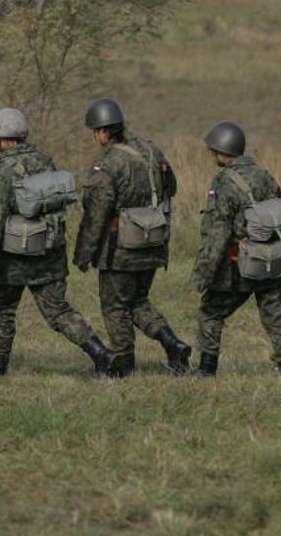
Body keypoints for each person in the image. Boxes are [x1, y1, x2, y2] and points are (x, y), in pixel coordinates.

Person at [0, 107, 118, 376]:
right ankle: (101, 354)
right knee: (58, 311)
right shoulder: (44, 160)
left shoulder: (3, 170)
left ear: (3, 139)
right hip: (49, 252)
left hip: (12, 258)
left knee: (1, 310)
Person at [73, 98, 190, 377]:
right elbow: (170, 188)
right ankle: (172, 344)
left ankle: (123, 364)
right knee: (137, 301)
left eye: (95, 131)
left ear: (102, 131)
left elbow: (97, 211)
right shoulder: (152, 151)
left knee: (115, 306)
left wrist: (84, 254)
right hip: (153, 243)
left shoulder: (108, 162)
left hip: (120, 248)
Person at [191, 122, 281, 376]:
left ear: (221, 150)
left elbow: (219, 232)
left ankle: (206, 368)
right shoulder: (263, 174)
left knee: (211, 311)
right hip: (269, 258)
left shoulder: (224, 181)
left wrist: (203, 272)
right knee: (275, 313)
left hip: (238, 265)